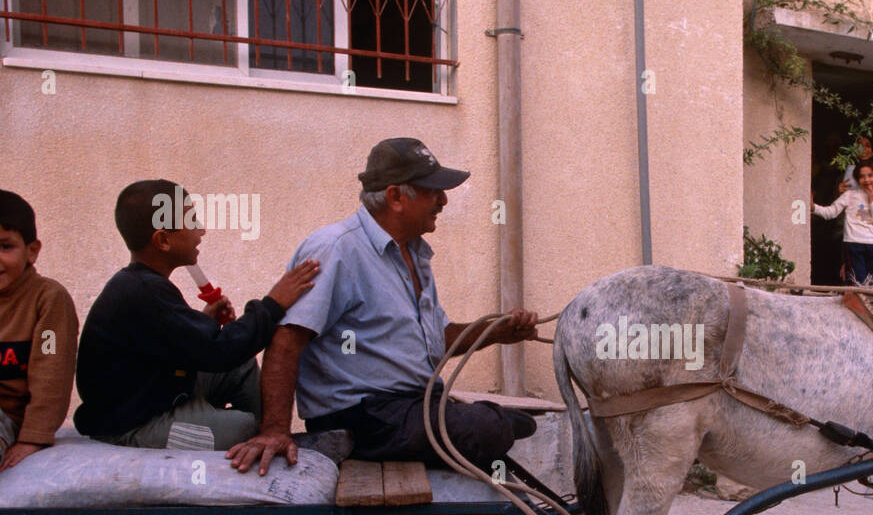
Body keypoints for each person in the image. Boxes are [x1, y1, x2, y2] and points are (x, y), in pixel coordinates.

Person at [227, 138, 539, 477]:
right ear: (395, 197)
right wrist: (275, 429)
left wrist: (497, 332)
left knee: (508, 424)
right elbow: (286, 340)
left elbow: (437, 338)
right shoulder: (336, 249)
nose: (443, 200)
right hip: (364, 416)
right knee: (486, 427)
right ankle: (488, 423)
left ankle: (489, 423)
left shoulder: (414, 254)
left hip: (409, 409)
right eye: (433, 191)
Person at [74, 180, 318, 449]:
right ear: (163, 240)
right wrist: (274, 304)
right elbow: (221, 350)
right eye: (191, 221)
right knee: (243, 427)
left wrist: (204, 324)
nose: (201, 230)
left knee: (241, 367)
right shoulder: (144, 290)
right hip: (131, 424)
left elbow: (183, 345)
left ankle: (269, 435)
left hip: (159, 393)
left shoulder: (142, 285)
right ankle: (257, 434)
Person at [0, 190, 79, 471]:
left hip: (9, 417)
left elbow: (52, 372)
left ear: (32, 251)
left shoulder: (47, 299)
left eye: (5, 246)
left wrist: (34, 437)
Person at [812, 162, 873, 284]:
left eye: (870, 175)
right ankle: (855, 303)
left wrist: (871, 200)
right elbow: (830, 212)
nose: (866, 180)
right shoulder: (850, 195)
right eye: (862, 176)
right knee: (856, 283)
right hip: (853, 244)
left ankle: (870, 304)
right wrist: (813, 207)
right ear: (857, 179)